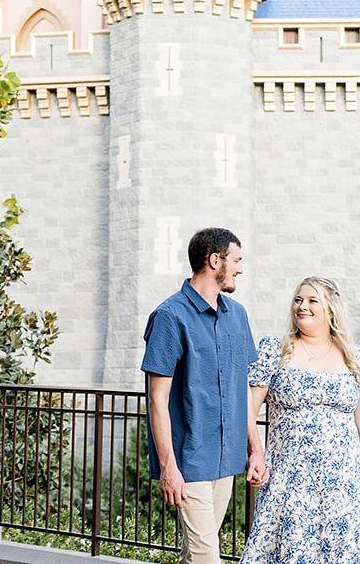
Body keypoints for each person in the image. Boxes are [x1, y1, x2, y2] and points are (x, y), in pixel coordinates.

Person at [141, 227, 267, 564]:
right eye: (236, 260)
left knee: (195, 554)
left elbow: (242, 388)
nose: (240, 268)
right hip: (189, 460)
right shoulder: (170, 316)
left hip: (226, 459)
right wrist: (168, 467)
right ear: (215, 260)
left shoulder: (237, 315)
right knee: (207, 556)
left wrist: (255, 450)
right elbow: (157, 399)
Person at [240, 276, 360, 564]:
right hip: (289, 478)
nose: (302, 306)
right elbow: (247, 409)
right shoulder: (275, 351)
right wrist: (255, 453)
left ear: (331, 309)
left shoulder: (357, 357)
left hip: (343, 482)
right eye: (298, 300)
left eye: (312, 300)